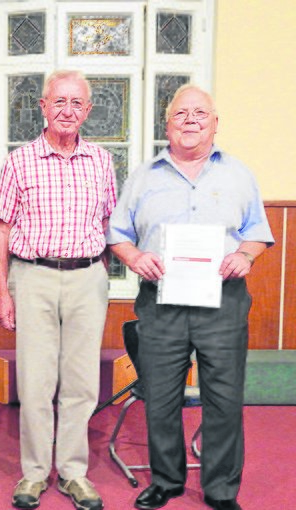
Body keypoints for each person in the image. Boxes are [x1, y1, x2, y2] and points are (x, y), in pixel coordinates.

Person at [107, 84, 273, 510]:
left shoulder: (238, 174)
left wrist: (244, 255)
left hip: (224, 301)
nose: (191, 120)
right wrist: (136, 256)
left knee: (225, 399)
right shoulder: (144, 175)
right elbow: (118, 235)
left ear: (215, 123)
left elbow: (256, 233)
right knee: (160, 398)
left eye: (200, 113)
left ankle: (220, 490)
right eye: (181, 114)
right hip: (162, 302)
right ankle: (166, 481)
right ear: (168, 124)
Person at [0, 70, 116, 510]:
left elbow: (109, 224)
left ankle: (74, 472)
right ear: (43, 107)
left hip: (86, 278)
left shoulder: (101, 161)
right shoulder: (19, 161)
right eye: (58, 101)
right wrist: (3, 293)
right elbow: (1, 229)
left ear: (88, 110)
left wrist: (100, 275)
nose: (67, 110)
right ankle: (34, 473)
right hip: (34, 276)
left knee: (81, 383)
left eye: (77, 103)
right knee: (36, 381)